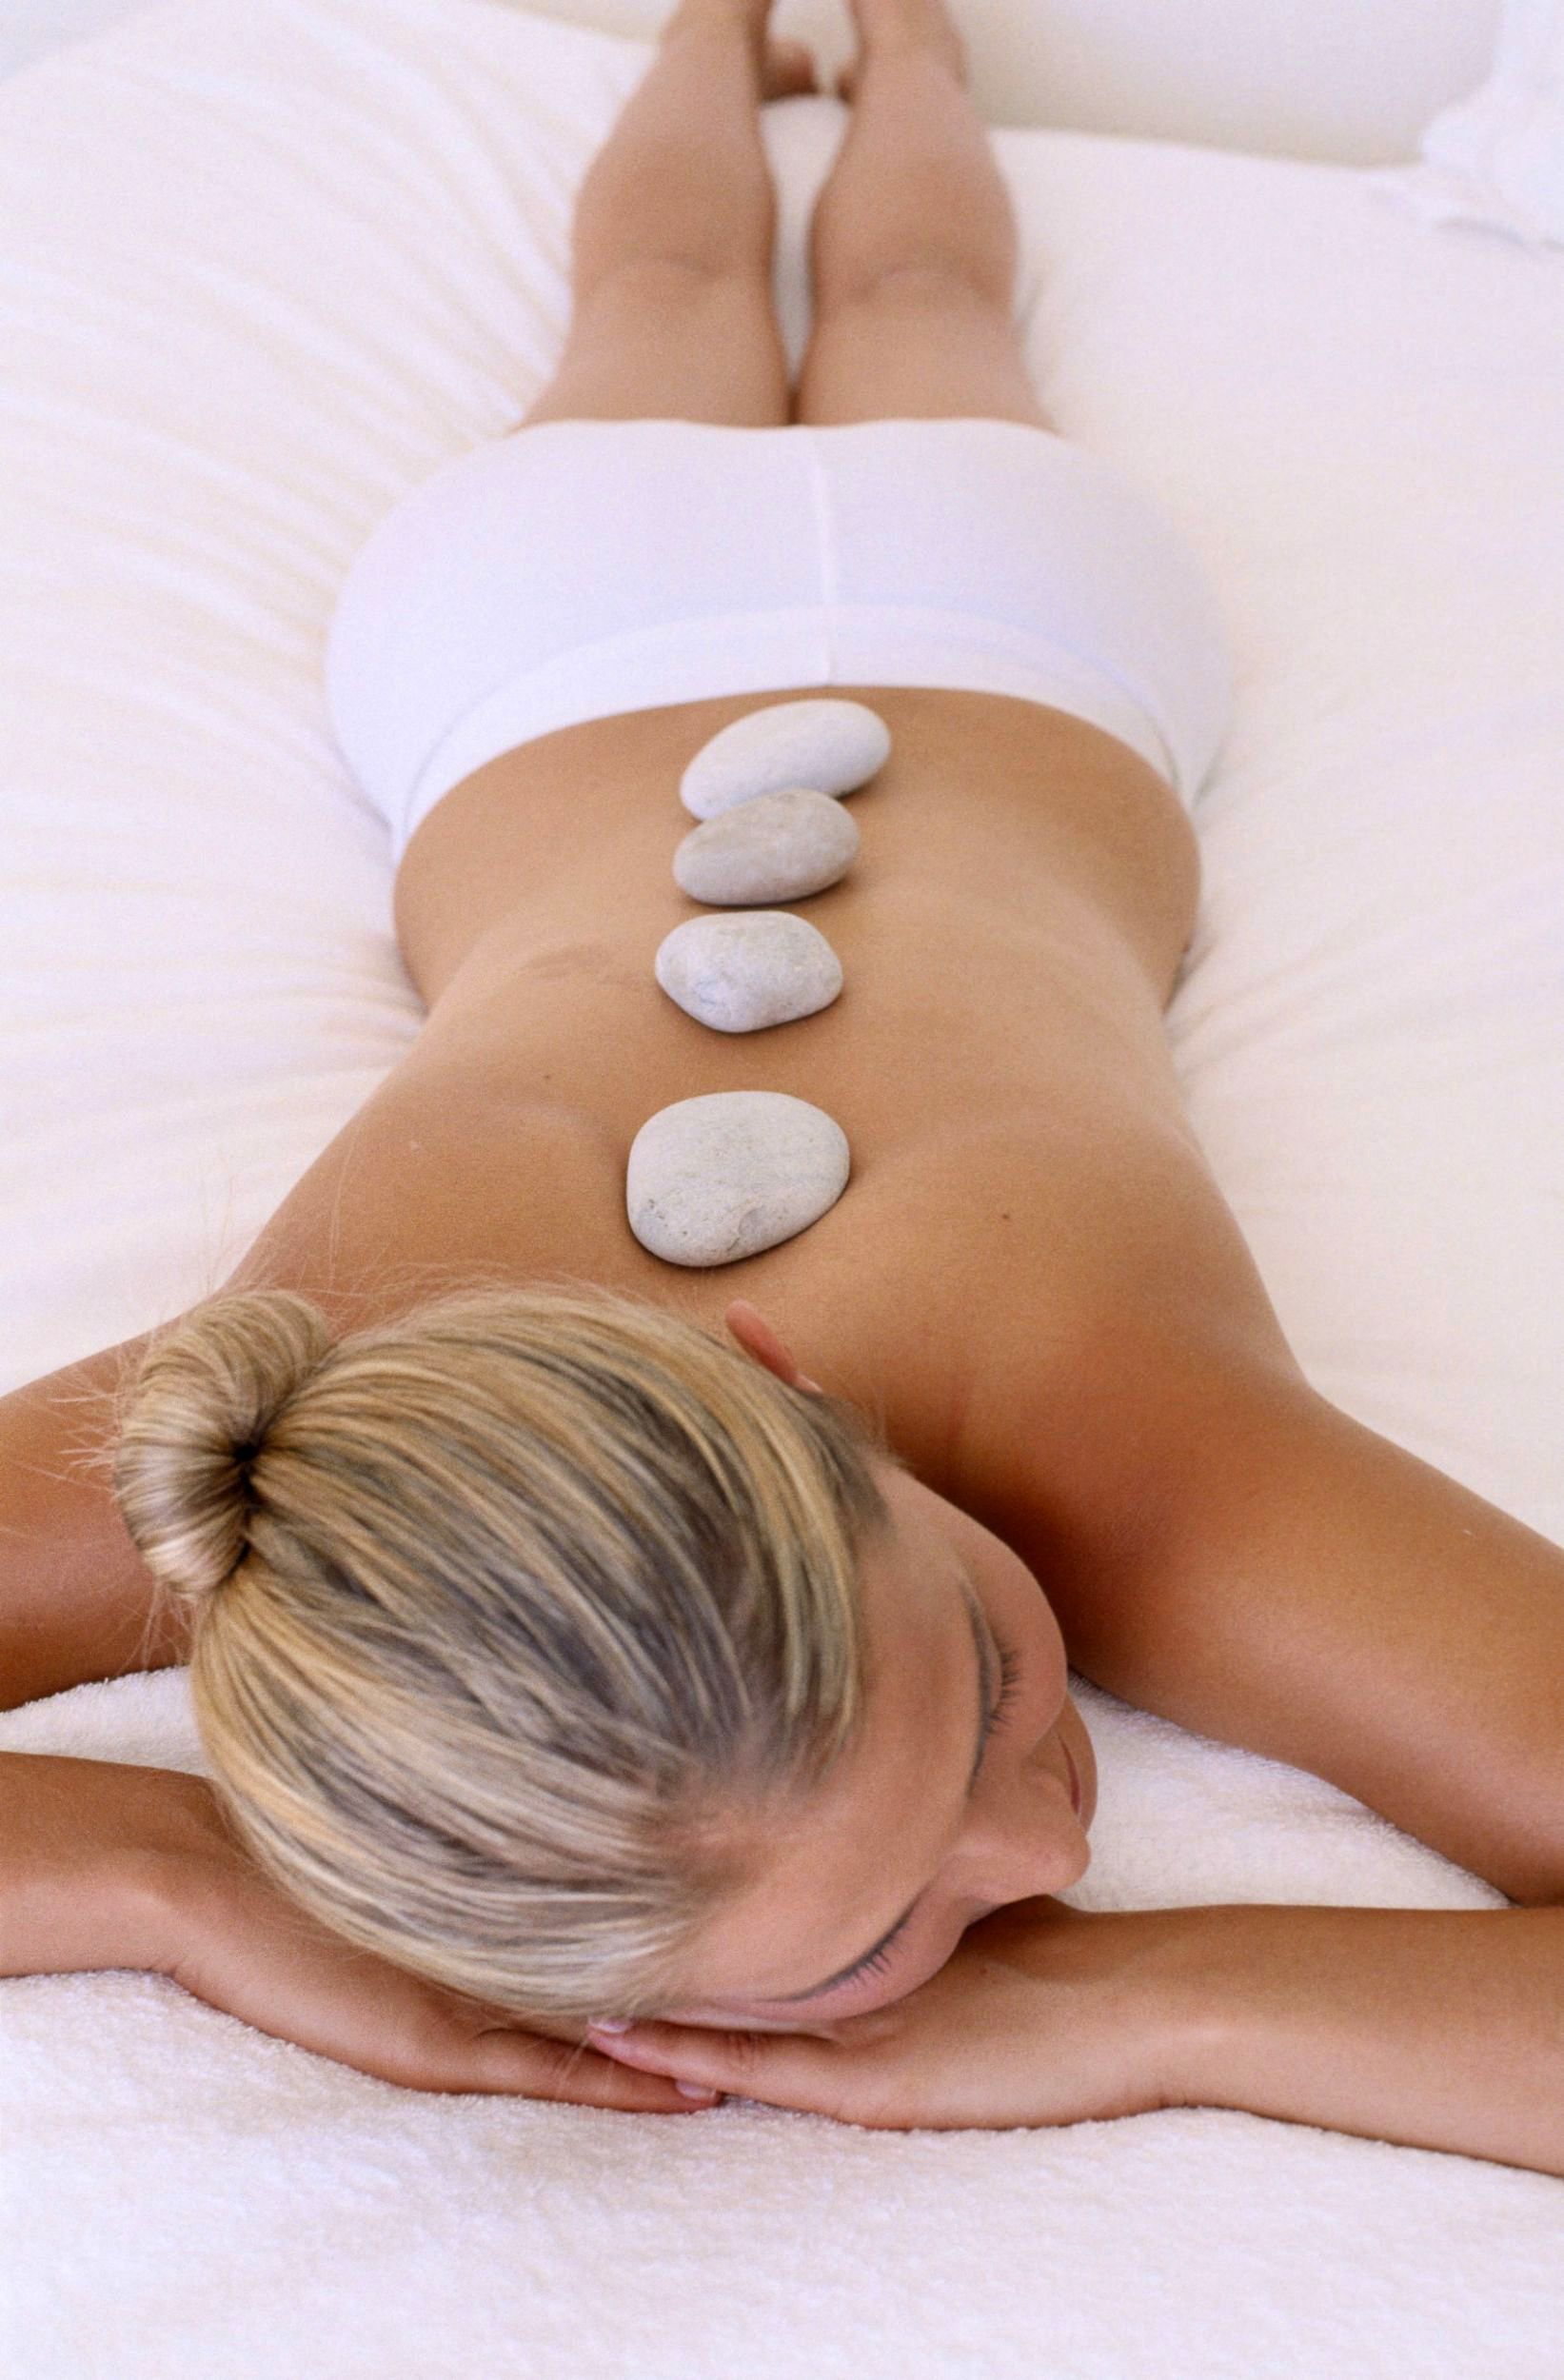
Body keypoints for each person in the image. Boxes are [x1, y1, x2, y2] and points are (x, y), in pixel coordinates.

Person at [4, 0, 1563, 2172]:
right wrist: (173, 1877)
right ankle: (820, 45)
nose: (1049, 1853)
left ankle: (846, 39)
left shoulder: (1127, 1446)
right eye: (872, 1941)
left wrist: (1148, 1997)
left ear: (782, 1376)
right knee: (830, 296)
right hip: (845, 612)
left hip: (680, 627)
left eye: (993, 1675)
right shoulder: (285, 1443)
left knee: (704, 291)